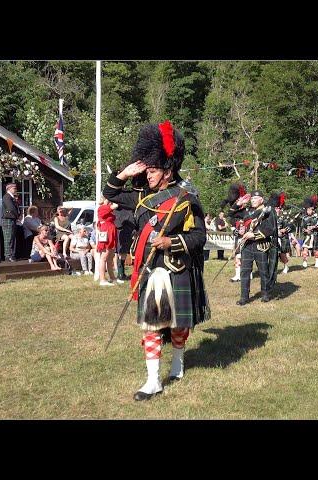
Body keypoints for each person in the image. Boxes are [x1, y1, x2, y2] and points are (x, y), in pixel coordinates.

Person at [102, 120, 209, 401]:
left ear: (168, 169)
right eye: (146, 169)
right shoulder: (141, 195)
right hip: (149, 270)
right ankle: (153, 381)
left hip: (175, 267)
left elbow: (199, 237)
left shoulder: (186, 198)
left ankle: (178, 363)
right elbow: (110, 194)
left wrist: (169, 241)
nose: (147, 175)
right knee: (151, 324)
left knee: (177, 325)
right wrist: (126, 172)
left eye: (152, 169)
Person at [235, 190, 276, 305]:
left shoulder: (268, 211)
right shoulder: (248, 211)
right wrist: (241, 230)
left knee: (263, 271)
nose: (252, 200)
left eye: (255, 198)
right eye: (252, 199)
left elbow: (270, 229)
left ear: (261, 199)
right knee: (245, 271)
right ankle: (244, 297)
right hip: (247, 245)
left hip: (261, 245)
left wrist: (254, 235)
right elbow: (239, 221)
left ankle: (265, 294)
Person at [96, 200, 120, 286]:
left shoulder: (106, 207)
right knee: (104, 257)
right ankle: (102, 279)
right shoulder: (102, 207)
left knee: (110, 257)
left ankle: (112, 277)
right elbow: (115, 206)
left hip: (110, 232)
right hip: (106, 232)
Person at [1, 182, 20, 262]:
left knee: (11, 238)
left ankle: (11, 255)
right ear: (9, 189)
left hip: (12, 219)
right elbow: (11, 208)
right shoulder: (7, 197)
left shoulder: (11, 197)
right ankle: (8, 256)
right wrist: (17, 216)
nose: (15, 190)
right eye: (14, 188)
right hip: (8, 219)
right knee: (8, 238)